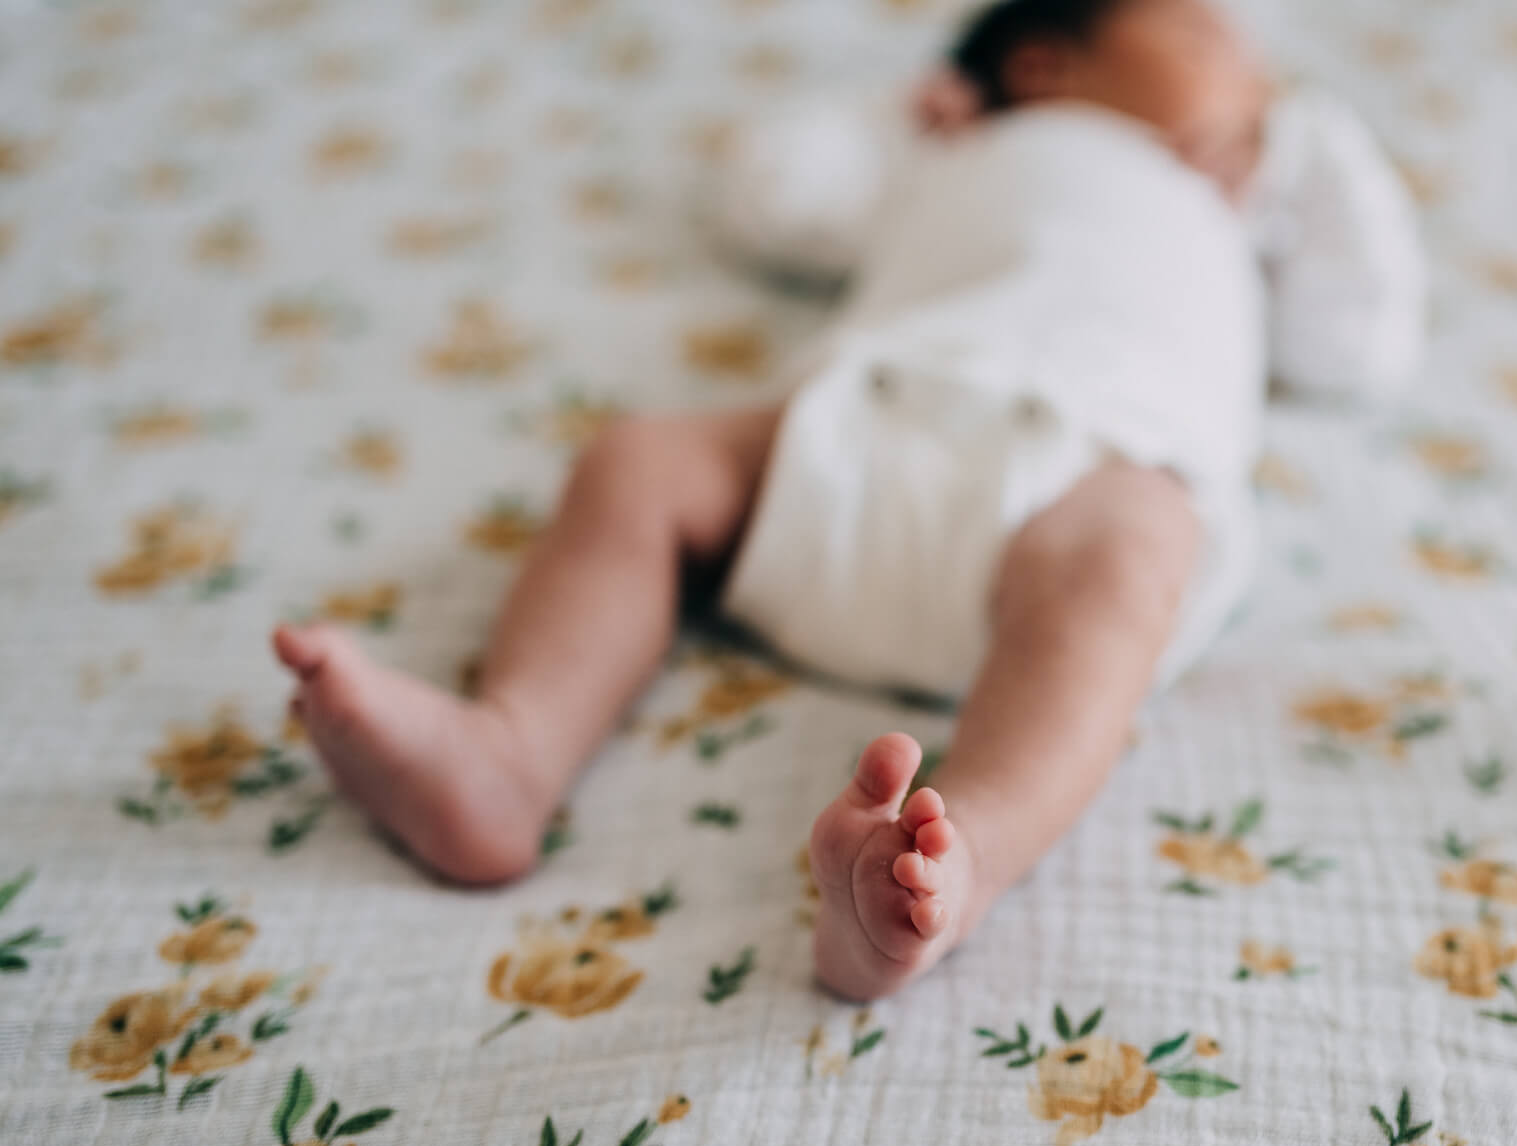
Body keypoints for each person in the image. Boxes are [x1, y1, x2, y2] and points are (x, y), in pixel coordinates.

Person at [272, 0, 1426, 999]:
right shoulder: (958, 146)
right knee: (643, 460)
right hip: (864, 432)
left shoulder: (1247, 209)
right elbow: (771, 194)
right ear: (1042, 62)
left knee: (1137, 553)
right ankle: (511, 752)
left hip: (1093, 475)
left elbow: (1361, 340)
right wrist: (899, 123)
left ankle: (953, 863)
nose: (1248, 67)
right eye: (1193, 29)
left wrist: (1306, 147)